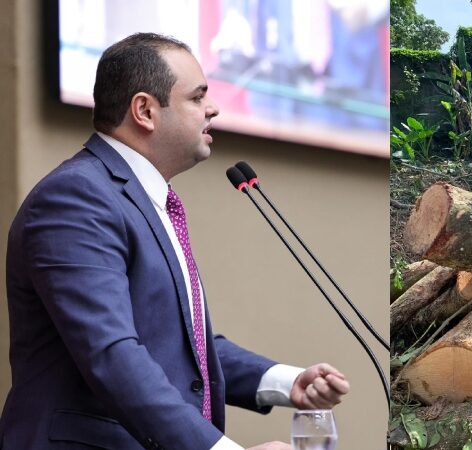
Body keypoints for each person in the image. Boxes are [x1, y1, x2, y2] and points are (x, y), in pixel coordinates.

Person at [0, 32, 349, 450]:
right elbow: (112, 354)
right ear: (145, 110)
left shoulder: (149, 200)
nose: (214, 108)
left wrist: (286, 382)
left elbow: (179, 345)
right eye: (198, 97)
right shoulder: (76, 198)